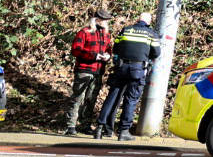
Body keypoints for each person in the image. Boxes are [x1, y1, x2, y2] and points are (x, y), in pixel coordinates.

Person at [94, 12, 159, 141]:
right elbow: (156, 52)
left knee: (112, 97)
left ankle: (99, 129)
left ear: (137, 20)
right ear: (149, 21)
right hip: (138, 70)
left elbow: (116, 47)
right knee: (131, 100)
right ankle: (123, 131)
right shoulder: (151, 34)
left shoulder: (126, 30)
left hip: (121, 68)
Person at [63, 9, 112, 136]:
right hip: (84, 70)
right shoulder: (84, 32)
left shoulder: (107, 34)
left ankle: (85, 125)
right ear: (97, 19)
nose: (106, 22)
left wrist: (108, 56)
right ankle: (70, 126)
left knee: (91, 99)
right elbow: (75, 50)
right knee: (78, 97)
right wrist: (94, 56)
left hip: (98, 71)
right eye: (104, 19)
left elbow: (109, 50)